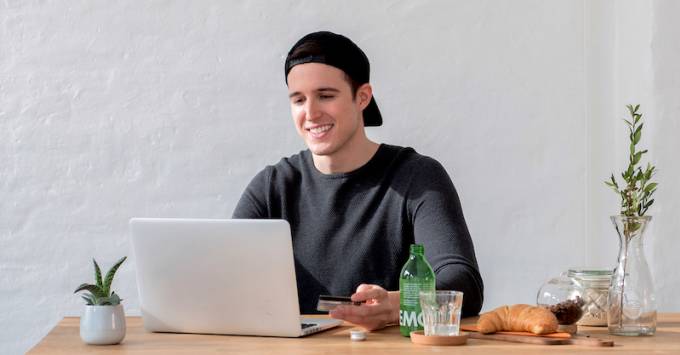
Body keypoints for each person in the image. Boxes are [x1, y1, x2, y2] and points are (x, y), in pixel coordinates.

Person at [233, 31, 483, 330]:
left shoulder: (417, 177)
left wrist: (399, 305)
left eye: (325, 96)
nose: (310, 113)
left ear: (362, 97)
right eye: (299, 100)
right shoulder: (272, 186)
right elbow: (226, 274)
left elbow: (463, 283)